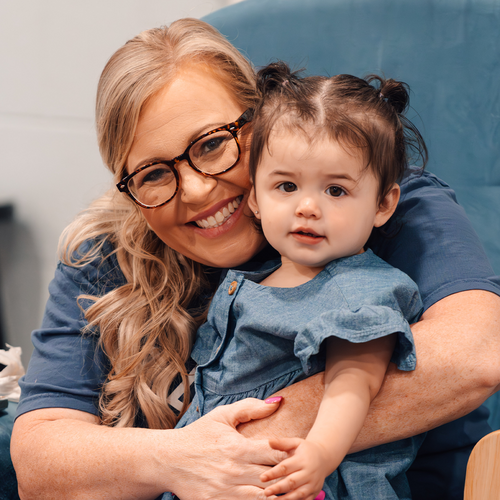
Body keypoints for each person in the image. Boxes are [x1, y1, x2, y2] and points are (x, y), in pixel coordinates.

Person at [9, 18, 500, 500]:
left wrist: (245, 451)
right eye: (153, 173)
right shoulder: (106, 252)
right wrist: (179, 459)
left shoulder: (369, 205)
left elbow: (475, 355)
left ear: (260, 122)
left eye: (212, 144)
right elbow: (39, 461)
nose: (195, 189)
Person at [169, 63, 425, 500]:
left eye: (336, 191)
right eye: (286, 186)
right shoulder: (256, 280)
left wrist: (320, 452)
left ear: (383, 204)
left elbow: (354, 381)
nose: (307, 207)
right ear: (254, 197)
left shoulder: (360, 291)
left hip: (307, 483)